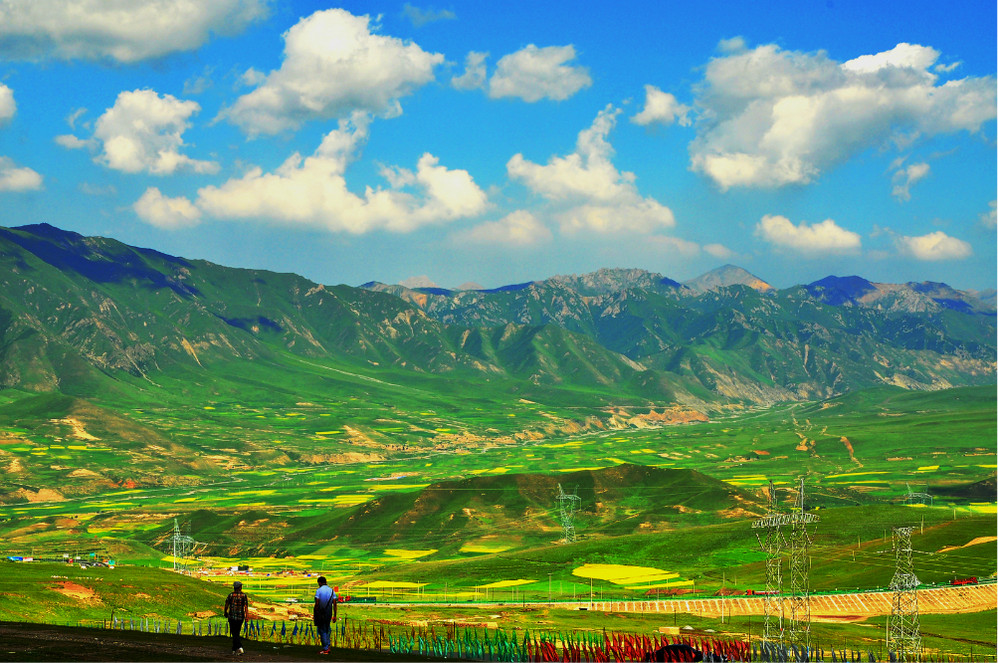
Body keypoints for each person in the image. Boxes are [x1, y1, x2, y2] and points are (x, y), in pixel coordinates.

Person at [313, 576, 337, 654]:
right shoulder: (332, 591)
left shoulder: (319, 590)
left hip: (321, 613)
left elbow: (317, 603)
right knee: (327, 628)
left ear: (319, 582)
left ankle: (325, 648)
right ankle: (328, 645)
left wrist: (316, 612)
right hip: (329, 613)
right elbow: (335, 604)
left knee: (322, 630)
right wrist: (335, 615)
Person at [223, 580, 248, 655]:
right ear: (240, 587)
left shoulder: (230, 595)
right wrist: (247, 616)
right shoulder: (244, 595)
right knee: (237, 632)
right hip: (240, 617)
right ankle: (235, 648)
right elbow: (245, 607)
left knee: (234, 632)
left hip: (232, 616)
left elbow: (226, 605)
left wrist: (225, 612)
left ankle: (238, 647)